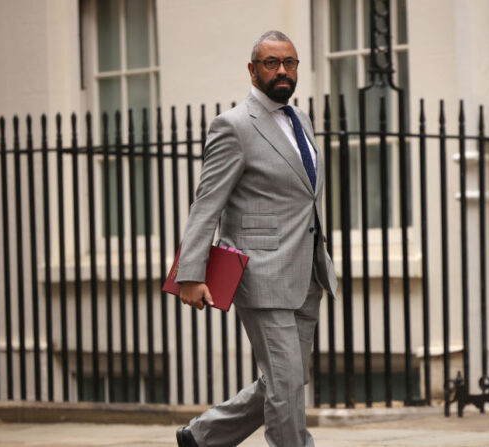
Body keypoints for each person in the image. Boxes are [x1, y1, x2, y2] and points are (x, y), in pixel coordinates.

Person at [173, 30, 338, 447]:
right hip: (262, 274)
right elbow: (206, 204)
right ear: (252, 69)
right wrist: (189, 274)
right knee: (285, 386)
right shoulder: (233, 126)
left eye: (290, 62)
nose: (282, 70)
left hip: (307, 272)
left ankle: (203, 436)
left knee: (288, 378)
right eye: (271, 62)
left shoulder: (301, 120)